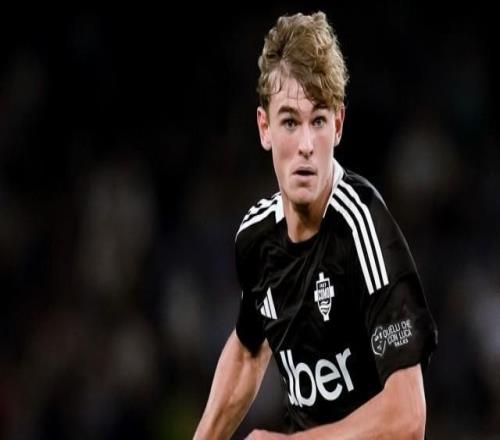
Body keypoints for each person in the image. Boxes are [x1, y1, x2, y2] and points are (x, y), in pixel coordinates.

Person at [194, 10, 437, 440]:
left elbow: (408, 416)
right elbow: (249, 351)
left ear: (338, 126)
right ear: (265, 128)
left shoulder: (364, 226)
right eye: (290, 121)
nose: (306, 145)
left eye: (319, 120)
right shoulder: (256, 237)